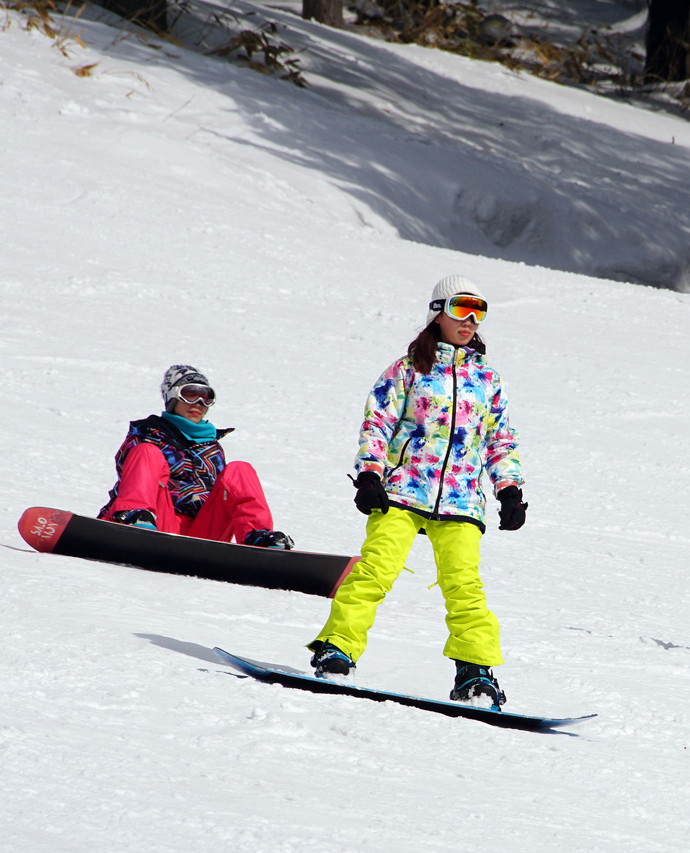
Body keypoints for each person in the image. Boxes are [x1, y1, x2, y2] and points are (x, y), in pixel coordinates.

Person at [308, 274, 527, 709]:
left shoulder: (487, 378)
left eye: (479, 311)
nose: (470, 320)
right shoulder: (409, 369)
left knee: (465, 585)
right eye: (461, 308)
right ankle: (338, 648)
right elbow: (378, 424)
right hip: (403, 490)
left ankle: (475, 671)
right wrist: (370, 475)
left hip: (462, 497)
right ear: (438, 312)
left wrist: (508, 489)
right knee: (375, 570)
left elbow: (498, 438)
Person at [98, 364, 294, 549]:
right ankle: (133, 516)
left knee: (240, 469)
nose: (198, 404)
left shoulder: (211, 447)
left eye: (206, 398)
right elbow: (130, 475)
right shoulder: (147, 434)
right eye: (190, 395)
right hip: (157, 522)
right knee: (147, 452)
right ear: (173, 397)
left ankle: (257, 536)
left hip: (202, 534)